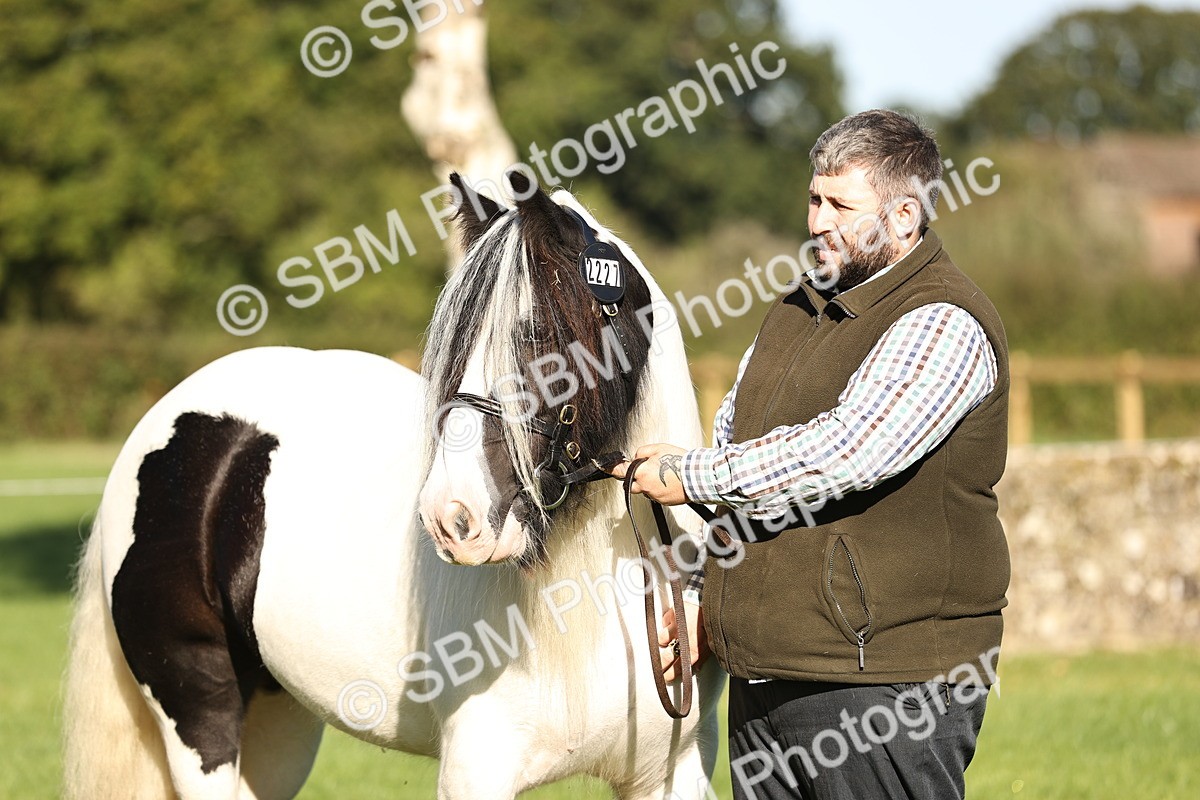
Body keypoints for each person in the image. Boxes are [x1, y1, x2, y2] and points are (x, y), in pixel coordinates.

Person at [610, 109, 1010, 799]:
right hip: (766, 677)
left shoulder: (943, 319)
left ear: (905, 218)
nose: (817, 221)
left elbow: (846, 453)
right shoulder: (791, 312)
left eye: (840, 205)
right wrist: (711, 599)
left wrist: (686, 474)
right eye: (814, 198)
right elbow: (743, 461)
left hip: (885, 687)